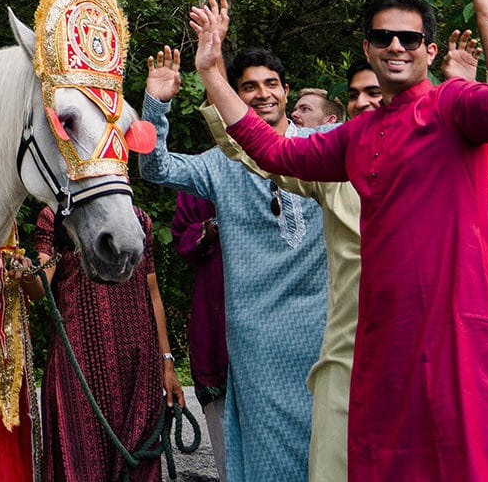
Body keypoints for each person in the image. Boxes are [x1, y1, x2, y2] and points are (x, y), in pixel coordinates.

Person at [193, 0, 488, 482]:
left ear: (429, 48)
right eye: (383, 38)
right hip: (382, 346)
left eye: (408, 37)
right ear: (368, 50)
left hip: (452, 335)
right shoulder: (356, 136)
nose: (395, 46)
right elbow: (272, 150)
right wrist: (210, 71)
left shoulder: (453, 105)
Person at [139, 44, 327, 482]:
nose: (262, 94)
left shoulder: (321, 149)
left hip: (323, 329)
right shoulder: (219, 166)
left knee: (333, 442)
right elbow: (154, 167)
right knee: (266, 448)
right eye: (249, 87)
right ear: (235, 97)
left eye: (271, 84)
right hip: (256, 339)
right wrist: (156, 104)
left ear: (286, 91)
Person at [33, 200, 185, 482]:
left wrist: (166, 363)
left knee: (139, 468)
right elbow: (38, 287)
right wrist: (25, 273)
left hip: (138, 369)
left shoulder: (140, 220)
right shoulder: (55, 217)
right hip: (78, 371)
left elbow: (152, 292)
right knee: (80, 468)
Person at [170, 189, 228, 479]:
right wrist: (210, 230)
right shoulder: (205, 175)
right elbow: (182, 237)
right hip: (217, 316)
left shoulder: (283, 159)